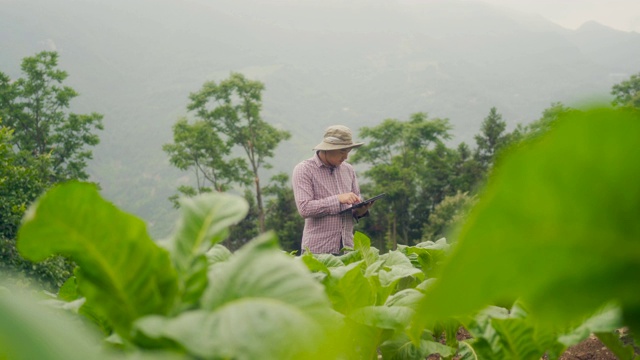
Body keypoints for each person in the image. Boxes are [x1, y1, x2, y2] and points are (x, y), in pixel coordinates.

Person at [292, 125, 374, 254]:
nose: (346, 157)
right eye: (342, 152)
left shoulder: (348, 170)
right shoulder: (304, 170)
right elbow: (304, 208)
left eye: (348, 152)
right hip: (317, 250)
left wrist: (360, 211)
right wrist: (337, 199)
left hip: (347, 249)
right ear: (327, 149)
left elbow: (354, 204)